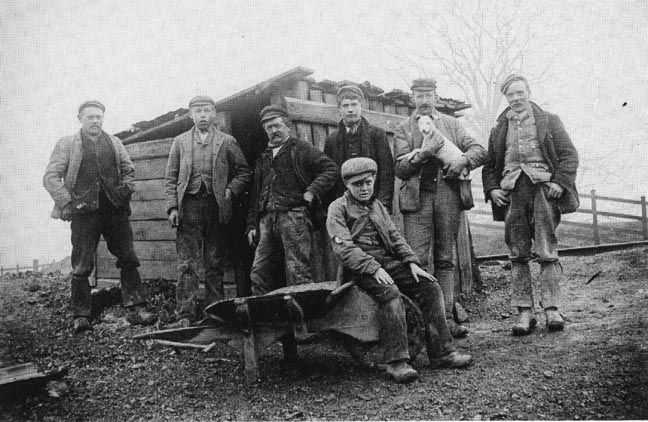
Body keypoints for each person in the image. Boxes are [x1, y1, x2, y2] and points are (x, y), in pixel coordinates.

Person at [327, 157, 472, 383]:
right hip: (359, 268)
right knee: (390, 293)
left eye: (368, 182)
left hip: (387, 262)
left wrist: (412, 262)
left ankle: (443, 353)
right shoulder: (338, 208)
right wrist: (372, 268)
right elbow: (344, 248)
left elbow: (395, 238)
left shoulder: (377, 207)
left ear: (373, 180)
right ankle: (396, 362)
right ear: (347, 184)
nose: (364, 188)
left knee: (430, 286)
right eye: (358, 184)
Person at [43, 100, 156, 333]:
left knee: (128, 258)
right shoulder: (66, 145)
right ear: (80, 119)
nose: (95, 121)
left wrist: (124, 192)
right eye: (90, 117)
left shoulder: (114, 142)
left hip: (114, 211)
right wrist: (66, 202)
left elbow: (128, 170)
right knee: (82, 265)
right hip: (84, 213)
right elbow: (51, 177)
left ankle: (136, 307)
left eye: (98, 117)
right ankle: (81, 315)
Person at [482, 74, 579, 335]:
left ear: (529, 93)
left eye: (519, 93)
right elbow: (490, 166)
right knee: (517, 252)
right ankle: (524, 312)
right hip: (513, 192)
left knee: (546, 248)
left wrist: (560, 181)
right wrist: (492, 189)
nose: (515, 99)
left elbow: (569, 155)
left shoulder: (549, 121)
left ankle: (551, 309)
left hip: (543, 191)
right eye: (510, 95)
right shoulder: (499, 128)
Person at [394, 78, 487, 338]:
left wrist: (463, 162)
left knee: (446, 259)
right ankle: (422, 321)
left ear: (436, 97)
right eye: (419, 95)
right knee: (417, 260)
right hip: (417, 202)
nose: (424, 100)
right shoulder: (403, 129)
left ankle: (445, 319)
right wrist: (423, 153)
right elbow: (400, 168)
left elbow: (480, 150)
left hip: (448, 198)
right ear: (412, 98)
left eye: (428, 95)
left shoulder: (452, 124)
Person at [164, 96, 252, 324]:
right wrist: (172, 207)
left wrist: (230, 191)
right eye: (197, 111)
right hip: (189, 207)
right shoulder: (180, 142)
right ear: (191, 115)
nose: (202, 115)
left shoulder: (226, 141)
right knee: (187, 264)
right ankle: (184, 314)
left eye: (206, 111)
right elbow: (170, 177)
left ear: (213, 114)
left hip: (216, 208)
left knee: (214, 262)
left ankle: (215, 314)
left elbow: (244, 171)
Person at [246, 105, 338, 295]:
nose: (274, 131)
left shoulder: (302, 149)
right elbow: (256, 195)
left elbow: (331, 169)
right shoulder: (263, 158)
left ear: (288, 126)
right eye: (269, 127)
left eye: (278, 126)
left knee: (297, 271)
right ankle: (264, 321)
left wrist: (312, 190)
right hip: (266, 221)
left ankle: (304, 319)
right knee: (259, 273)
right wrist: (251, 225)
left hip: (294, 217)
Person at [324, 85, 394, 212]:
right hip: (344, 207)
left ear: (361, 106)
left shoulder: (377, 135)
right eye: (345, 106)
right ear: (339, 109)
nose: (350, 110)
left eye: (354, 104)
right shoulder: (332, 140)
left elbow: (386, 173)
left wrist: (383, 205)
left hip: (373, 204)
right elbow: (330, 177)